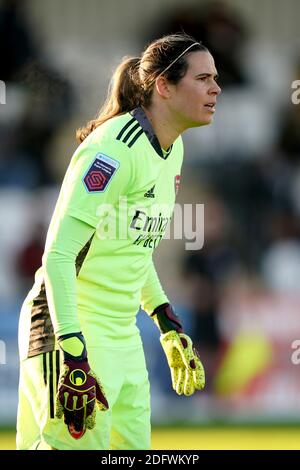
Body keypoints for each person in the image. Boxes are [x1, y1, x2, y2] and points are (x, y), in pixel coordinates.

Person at [16, 33, 221, 450]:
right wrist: (73, 350)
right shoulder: (111, 150)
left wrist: (164, 319)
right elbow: (57, 254)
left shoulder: (173, 150)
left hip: (123, 336)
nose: (216, 88)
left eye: (215, 78)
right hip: (68, 328)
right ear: (164, 85)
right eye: (202, 78)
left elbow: (131, 245)